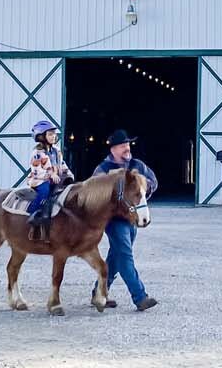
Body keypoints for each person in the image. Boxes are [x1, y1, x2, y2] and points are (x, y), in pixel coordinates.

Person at [90, 129, 158, 311]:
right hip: (114, 220)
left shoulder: (137, 165)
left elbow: (153, 182)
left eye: (127, 145)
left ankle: (99, 292)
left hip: (132, 219)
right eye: (122, 146)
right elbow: (95, 193)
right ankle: (140, 297)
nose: (127, 148)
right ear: (113, 149)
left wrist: (143, 187)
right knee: (125, 257)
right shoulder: (103, 170)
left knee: (116, 257)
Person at [24, 121, 72, 240]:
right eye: (50, 134)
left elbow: (62, 164)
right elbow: (37, 170)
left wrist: (69, 175)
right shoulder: (37, 153)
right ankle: (33, 215)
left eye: (54, 134)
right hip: (39, 180)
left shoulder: (56, 151)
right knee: (44, 192)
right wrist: (50, 175)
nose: (54, 136)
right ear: (41, 137)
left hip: (55, 180)